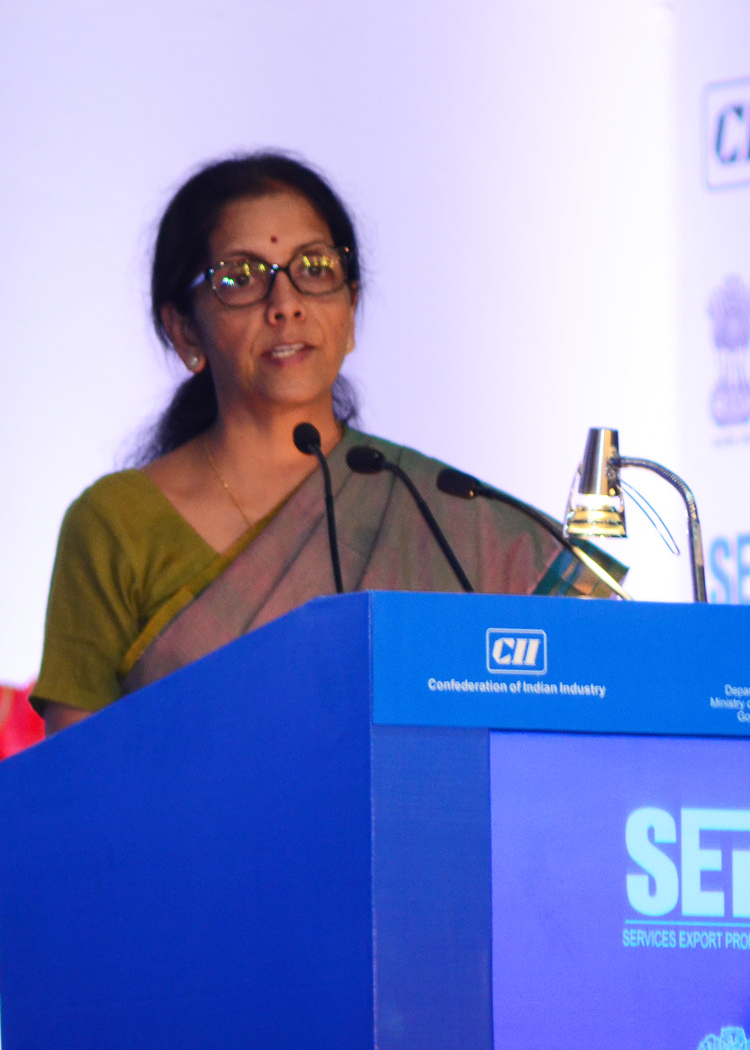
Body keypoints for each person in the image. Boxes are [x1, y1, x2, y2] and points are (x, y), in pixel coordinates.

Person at [32, 152, 615, 733]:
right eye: (240, 278)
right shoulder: (115, 524)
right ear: (186, 330)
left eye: (314, 268)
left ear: (350, 308)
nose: (286, 305)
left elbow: (588, 690)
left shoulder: (433, 508)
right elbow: (76, 778)